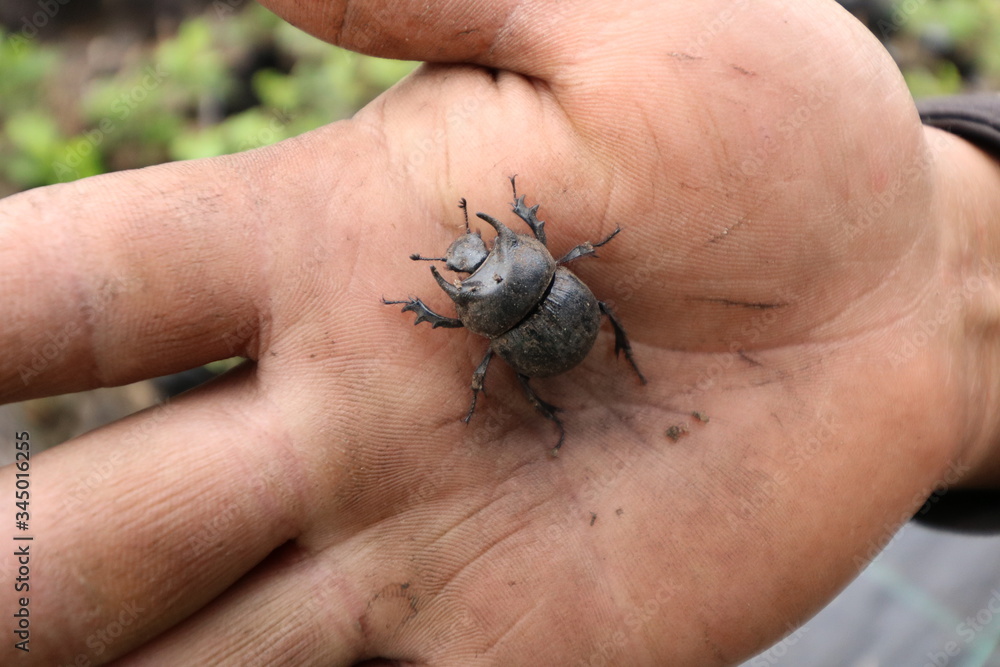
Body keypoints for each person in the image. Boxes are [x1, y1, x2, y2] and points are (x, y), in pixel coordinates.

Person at [1, 0, 998, 664]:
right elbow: (510, 273)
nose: (470, 255)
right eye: (463, 267)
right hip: (553, 324)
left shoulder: (511, 280)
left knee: (502, 360)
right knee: (510, 353)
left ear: (511, 249)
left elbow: (512, 272)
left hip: (551, 328)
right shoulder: (515, 276)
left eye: (477, 250)